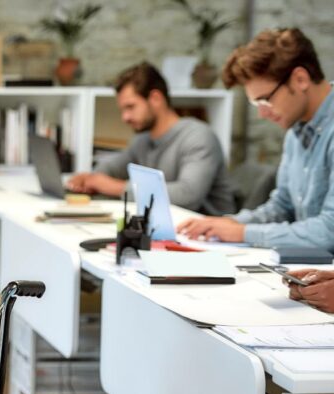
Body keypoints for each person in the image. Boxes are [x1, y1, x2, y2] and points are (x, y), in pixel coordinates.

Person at [177, 28, 334, 249]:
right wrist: (228, 223)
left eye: (265, 100)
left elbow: (329, 232)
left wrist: (242, 233)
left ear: (300, 79)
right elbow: (282, 207)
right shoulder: (295, 131)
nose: (262, 113)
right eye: (256, 104)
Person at [67, 62, 237, 215]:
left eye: (131, 107)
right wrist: (92, 179)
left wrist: (115, 187)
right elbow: (112, 167)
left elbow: (187, 196)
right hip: (165, 231)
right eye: (122, 110)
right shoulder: (142, 140)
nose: (125, 117)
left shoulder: (198, 137)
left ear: (155, 98)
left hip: (210, 236)